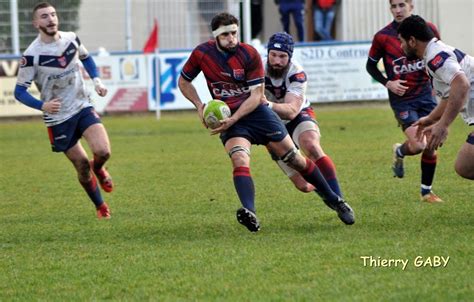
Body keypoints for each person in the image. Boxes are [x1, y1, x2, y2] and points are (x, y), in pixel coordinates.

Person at [178, 12, 354, 232]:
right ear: (215, 37)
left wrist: (233, 117)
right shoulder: (202, 54)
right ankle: (249, 212)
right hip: (232, 120)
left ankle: (335, 200)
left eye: (234, 33)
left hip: (257, 114)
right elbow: (184, 81)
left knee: (297, 160)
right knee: (240, 159)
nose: (231, 38)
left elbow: (255, 96)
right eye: (225, 35)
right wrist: (199, 105)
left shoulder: (249, 54)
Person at [14, 2, 114, 219]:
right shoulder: (31, 55)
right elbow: (19, 92)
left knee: (103, 151)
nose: (50, 19)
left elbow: (86, 58)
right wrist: (43, 106)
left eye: (52, 14)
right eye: (44, 16)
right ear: (35, 23)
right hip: (58, 118)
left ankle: (99, 167)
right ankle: (100, 206)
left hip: (82, 105)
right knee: (81, 165)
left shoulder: (71, 39)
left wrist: (96, 81)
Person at [366, 0, 443, 203]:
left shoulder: (428, 29)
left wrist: (439, 83)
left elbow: (438, 58)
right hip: (403, 100)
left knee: (431, 145)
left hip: (426, 95)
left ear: (411, 5)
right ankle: (401, 151)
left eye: (402, 5)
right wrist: (387, 83)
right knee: (418, 144)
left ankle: (426, 192)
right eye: (394, 6)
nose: (398, 10)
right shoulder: (383, 37)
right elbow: (370, 67)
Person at [263, 32, 345, 203]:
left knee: (311, 146)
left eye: (282, 56)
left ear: (290, 56)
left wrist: (266, 104)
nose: (277, 61)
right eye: (273, 55)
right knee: (303, 186)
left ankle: (339, 201)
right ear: (268, 53)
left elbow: (291, 111)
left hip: (298, 114)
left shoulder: (297, 73)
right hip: (270, 122)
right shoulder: (257, 70)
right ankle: (321, 184)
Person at [398, 15, 474, 180]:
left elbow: (462, 85)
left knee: (465, 166)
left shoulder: (435, 58)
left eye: (402, 41)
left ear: (412, 41)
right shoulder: (434, 53)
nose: (401, 46)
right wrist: (431, 118)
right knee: (465, 166)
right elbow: (450, 95)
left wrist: (443, 125)